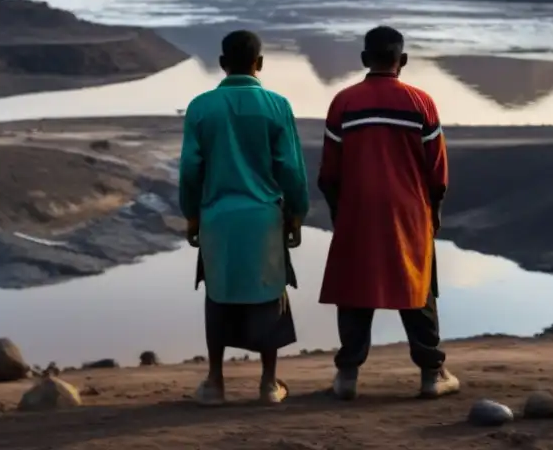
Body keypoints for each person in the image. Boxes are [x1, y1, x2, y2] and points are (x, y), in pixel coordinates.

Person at [317, 25, 458, 400]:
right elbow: (438, 171)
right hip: (409, 213)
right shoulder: (421, 103)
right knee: (418, 289)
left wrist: (338, 213)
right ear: (403, 61)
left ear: (365, 59)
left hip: (357, 212)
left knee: (355, 291)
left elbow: (329, 173)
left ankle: (347, 377)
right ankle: (432, 374)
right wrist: (435, 212)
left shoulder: (343, 103)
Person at [179, 30, 310, 406]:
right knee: (270, 296)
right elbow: (291, 169)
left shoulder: (201, 107)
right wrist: (297, 213)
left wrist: (191, 216)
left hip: (217, 219)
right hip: (265, 219)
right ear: (260, 63)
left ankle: (215, 383)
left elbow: (190, 168)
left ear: (222, 64)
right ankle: (269, 384)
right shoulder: (277, 105)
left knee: (218, 296)